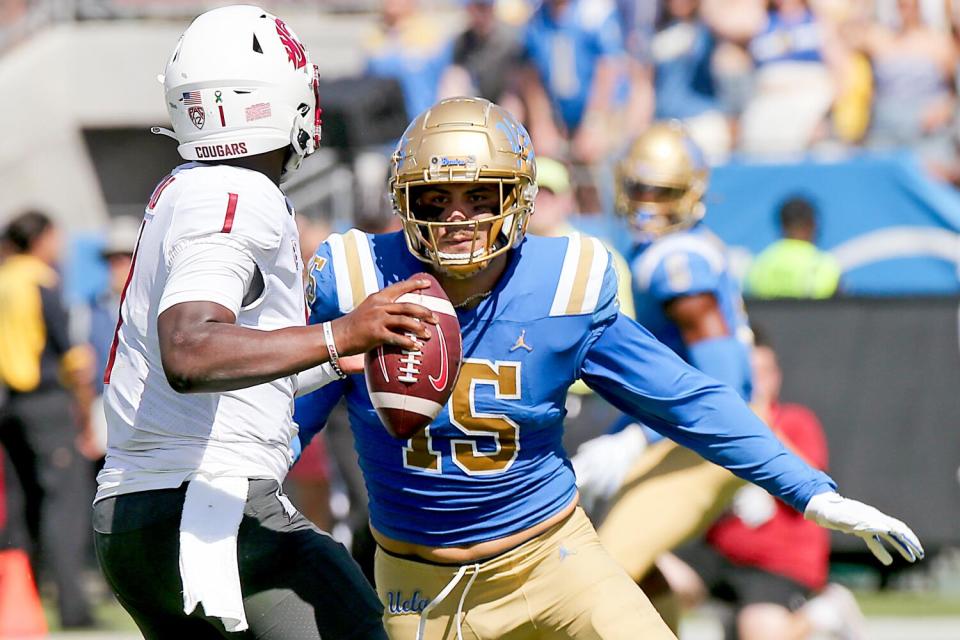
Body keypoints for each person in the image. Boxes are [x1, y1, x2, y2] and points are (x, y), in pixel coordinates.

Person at [295, 97, 922, 640]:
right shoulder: (356, 278)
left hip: (551, 561)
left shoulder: (560, 285)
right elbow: (285, 420)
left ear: (518, 197)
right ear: (405, 200)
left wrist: (807, 487)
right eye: (437, 195)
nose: (459, 216)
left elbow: (686, 397)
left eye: (479, 193)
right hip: (417, 585)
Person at [92, 6, 437, 639]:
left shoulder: (183, 188)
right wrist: (341, 333)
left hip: (137, 514)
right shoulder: (236, 194)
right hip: (208, 507)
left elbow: (209, 374)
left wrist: (330, 360)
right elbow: (192, 350)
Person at [662, 330, 839, 639]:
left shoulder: (795, 421)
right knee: (652, 577)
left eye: (763, 373)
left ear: (776, 376)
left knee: (758, 630)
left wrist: (758, 424)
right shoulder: (716, 428)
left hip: (779, 562)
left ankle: (825, 614)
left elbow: (814, 479)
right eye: (749, 374)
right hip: (722, 555)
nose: (757, 383)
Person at [0, 210, 98, 628]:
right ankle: (73, 608)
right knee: (65, 502)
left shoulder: (3, 279)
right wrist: (84, 405)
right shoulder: (41, 281)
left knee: (23, 504)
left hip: (9, 408)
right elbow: (68, 352)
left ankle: (25, 599)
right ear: (39, 239)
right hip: (46, 404)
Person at [745, 195, 841, 299]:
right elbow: (841, 310)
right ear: (812, 225)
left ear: (782, 226)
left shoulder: (760, 265)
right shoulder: (825, 265)